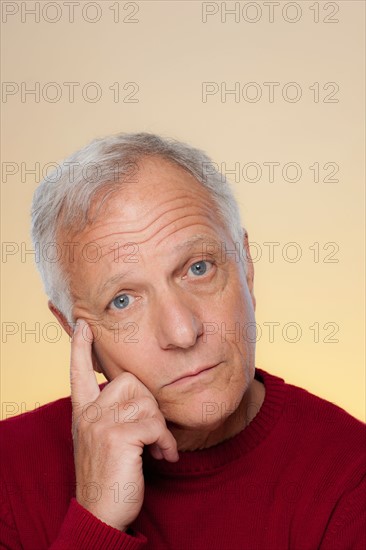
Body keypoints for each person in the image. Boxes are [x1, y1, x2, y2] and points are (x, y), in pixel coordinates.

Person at [0, 132, 364, 550]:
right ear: (74, 331)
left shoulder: (350, 478)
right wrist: (97, 520)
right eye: (122, 301)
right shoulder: (8, 478)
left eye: (198, 268)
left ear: (245, 267)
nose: (182, 332)